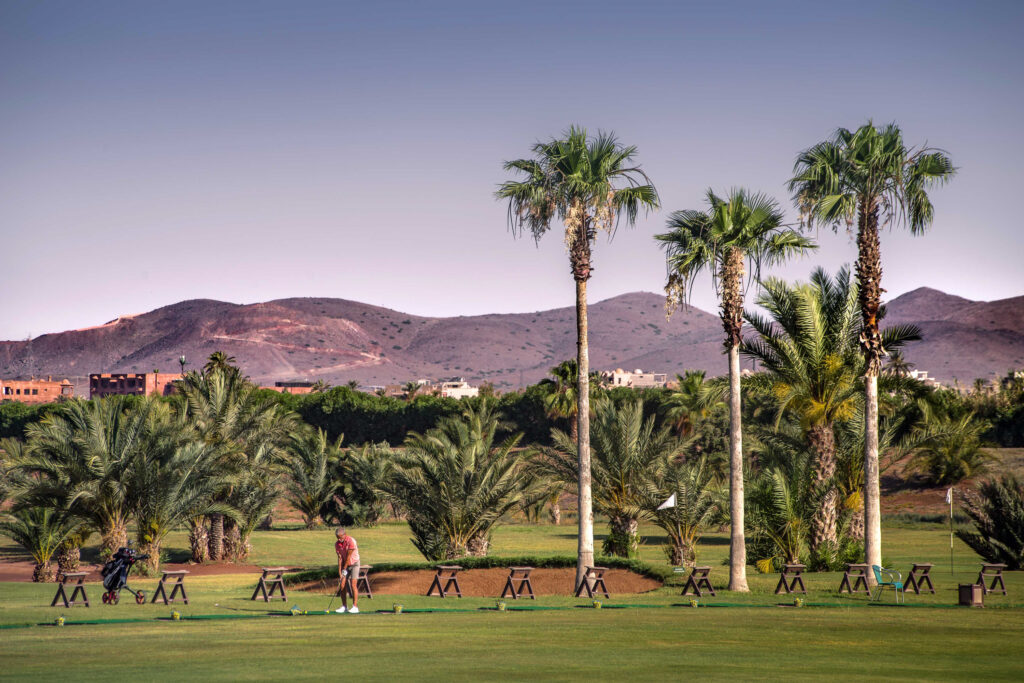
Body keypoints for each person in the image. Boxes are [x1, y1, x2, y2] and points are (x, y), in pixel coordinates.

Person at [335, 527, 360, 613]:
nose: (339, 539)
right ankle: (344, 606)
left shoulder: (351, 541)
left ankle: (355, 607)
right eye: (337, 537)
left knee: (353, 584)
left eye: (340, 537)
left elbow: (348, 557)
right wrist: (340, 572)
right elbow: (340, 558)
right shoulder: (337, 544)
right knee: (342, 585)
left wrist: (344, 568)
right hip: (345, 565)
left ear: (344, 535)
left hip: (354, 564)